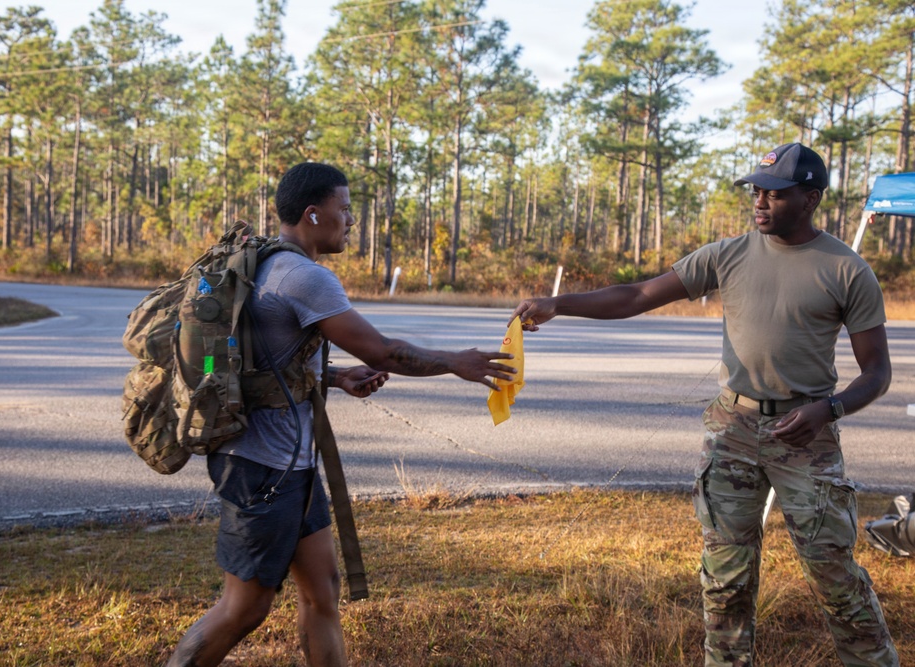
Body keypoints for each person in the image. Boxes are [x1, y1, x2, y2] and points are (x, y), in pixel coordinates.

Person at [511, 143, 898, 666]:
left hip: (806, 435)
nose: (760, 202)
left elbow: (877, 373)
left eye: (775, 194)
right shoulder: (728, 254)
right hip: (732, 431)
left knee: (834, 577)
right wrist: (559, 304)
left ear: (810, 198)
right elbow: (637, 296)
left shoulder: (847, 271)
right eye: (756, 191)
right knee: (725, 581)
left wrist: (826, 411)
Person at [167, 162, 516, 667]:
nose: (352, 220)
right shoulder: (305, 277)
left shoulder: (265, 263)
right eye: (345, 209)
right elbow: (384, 350)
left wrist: (335, 377)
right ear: (313, 215)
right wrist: (455, 362)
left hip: (291, 465)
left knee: (323, 592)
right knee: (243, 608)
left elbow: (266, 361)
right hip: (262, 467)